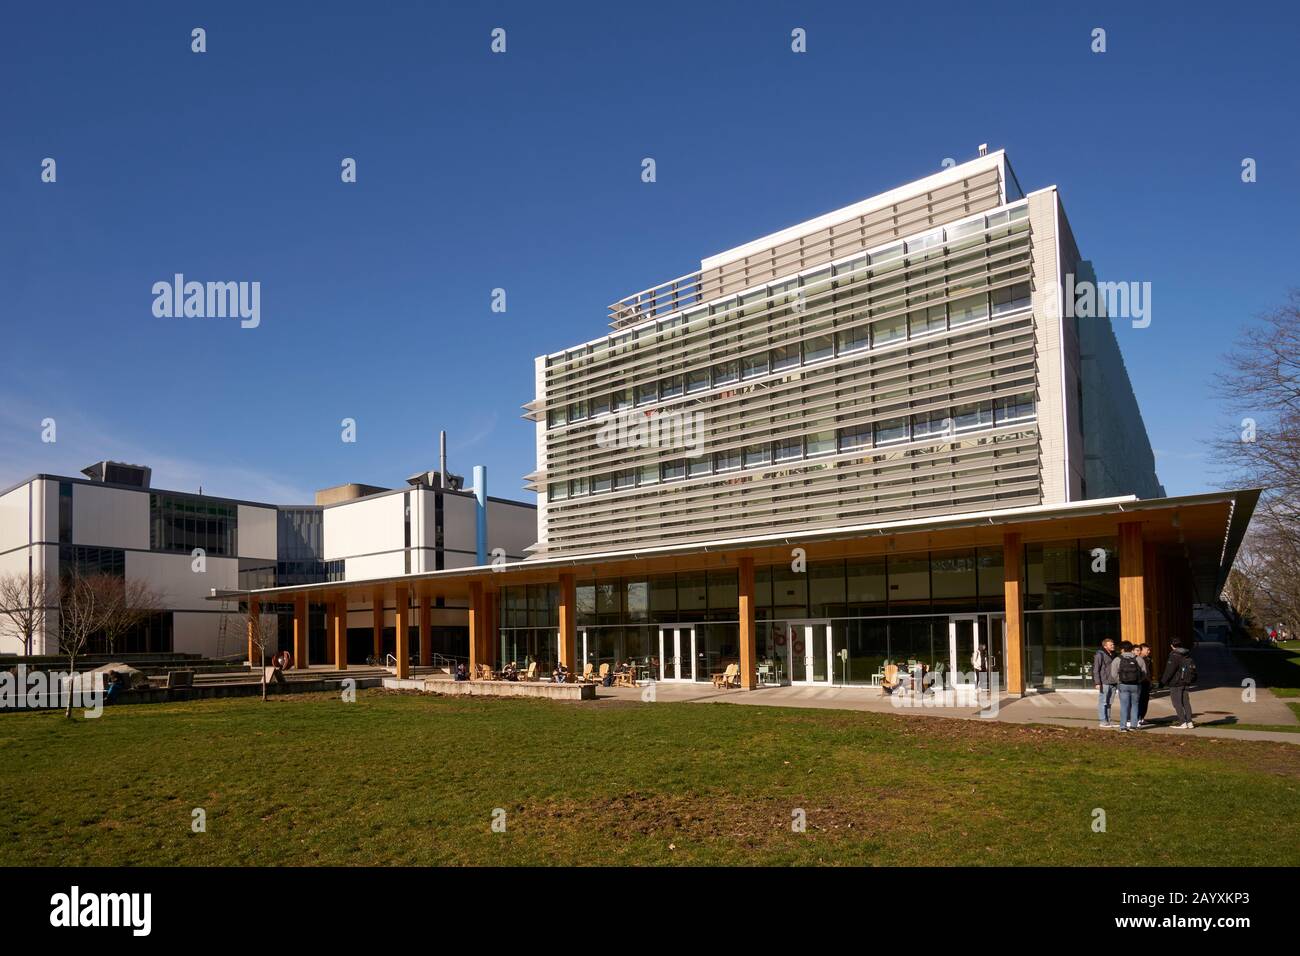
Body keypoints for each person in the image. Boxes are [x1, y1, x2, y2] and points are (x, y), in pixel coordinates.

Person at [1109, 641, 1147, 732]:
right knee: (1135, 705)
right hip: (1136, 685)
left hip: (1123, 685)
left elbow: (1113, 674)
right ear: (1131, 649)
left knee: (1124, 706)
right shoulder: (1139, 659)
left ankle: (1123, 726)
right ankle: (1133, 726)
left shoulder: (1117, 659)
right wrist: (1139, 681)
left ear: (1122, 649)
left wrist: (1119, 681)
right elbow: (1144, 673)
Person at [1161, 639, 1198, 728]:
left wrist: (1163, 681)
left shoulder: (1174, 655)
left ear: (1171, 646)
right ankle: (1189, 722)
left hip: (1176, 683)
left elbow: (1170, 670)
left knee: (1177, 703)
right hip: (1186, 681)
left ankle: (1182, 722)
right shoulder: (1186, 654)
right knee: (1186, 702)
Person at [1092, 637, 1119, 728]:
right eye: (1111, 644)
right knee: (1103, 702)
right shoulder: (1100, 654)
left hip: (1113, 682)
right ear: (1105, 646)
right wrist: (1097, 682)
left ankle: (1109, 720)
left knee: (1109, 703)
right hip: (1104, 682)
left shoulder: (1114, 654)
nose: (1113, 645)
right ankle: (1103, 721)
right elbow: (1096, 669)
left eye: (1113, 644)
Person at [1136, 643, 1154, 727]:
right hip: (1141, 683)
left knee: (1145, 701)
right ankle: (1137, 718)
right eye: (1147, 650)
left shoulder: (1148, 659)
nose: (1149, 651)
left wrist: (1150, 681)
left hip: (1147, 683)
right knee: (1140, 701)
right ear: (1142, 649)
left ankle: (1142, 718)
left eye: (1149, 650)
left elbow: (1150, 671)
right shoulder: (1137, 659)